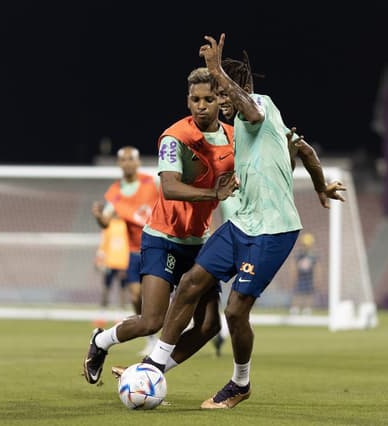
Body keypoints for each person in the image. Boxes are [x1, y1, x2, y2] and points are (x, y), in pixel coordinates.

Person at [142, 33, 346, 409]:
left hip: (273, 230)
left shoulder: (261, 107)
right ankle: (153, 364)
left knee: (235, 312)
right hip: (242, 226)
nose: (218, 102)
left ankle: (240, 383)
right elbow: (303, 147)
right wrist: (320, 185)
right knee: (190, 283)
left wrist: (218, 70)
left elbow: (252, 109)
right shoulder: (235, 133)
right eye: (214, 95)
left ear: (237, 89)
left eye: (221, 93)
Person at [82, 67, 239, 385]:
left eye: (209, 99)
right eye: (195, 99)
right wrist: (214, 193)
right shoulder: (175, 137)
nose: (201, 105)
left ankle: (152, 371)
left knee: (209, 325)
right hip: (163, 238)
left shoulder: (234, 140)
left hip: (199, 243)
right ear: (188, 101)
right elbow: (169, 186)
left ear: (219, 100)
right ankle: (101, 341)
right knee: (152, 320)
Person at [90, 146, 160, 352]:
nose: (128, 163)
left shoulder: (152, 182)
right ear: (119, 164)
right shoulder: (115, 192)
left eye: (131, 159)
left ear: (138, 162)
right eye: (124, 159)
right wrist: (98, 216)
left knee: (164, 295)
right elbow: (106, 221)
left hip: (158, 245)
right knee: (136, 296)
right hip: (134, 251)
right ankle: (151, 337)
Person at [94, 217, 129, 311]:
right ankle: (104, 305)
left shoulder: (126, 224)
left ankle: (122, 307)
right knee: (107, 284)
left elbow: (129, 244)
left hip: (123, 262)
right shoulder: (108, 224)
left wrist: (128, 261)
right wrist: (99, 259)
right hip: (109, 262)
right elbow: (103, 244)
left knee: (123, 286)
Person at [289, 232, 320, 315]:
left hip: (309, 278)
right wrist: (293, 278)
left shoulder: (313, 256)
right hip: (300, 278)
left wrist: (317, 279)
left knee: (309, 294)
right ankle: (295, 309)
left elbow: (317, 269)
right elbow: (294, 267)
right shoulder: (298, 254)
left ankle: (307, 309)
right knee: (297, 294)